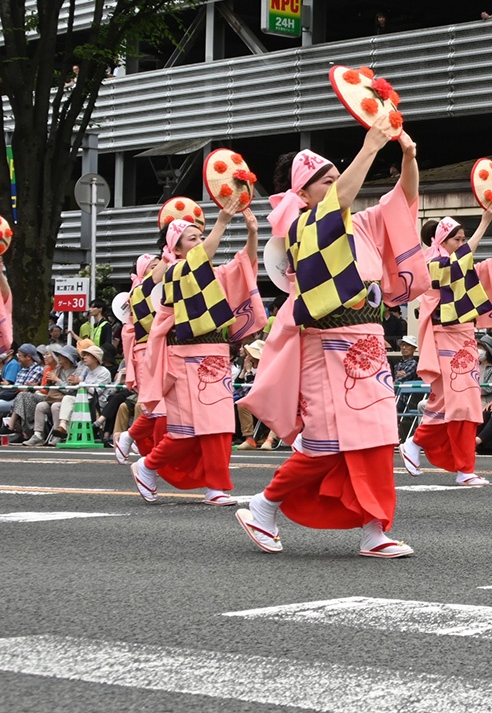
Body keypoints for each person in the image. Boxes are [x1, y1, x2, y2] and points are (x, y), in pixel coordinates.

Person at [234, 123, 428, 558]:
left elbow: (403, 201)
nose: (337, 183)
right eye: (326, 178)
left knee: (378, 436)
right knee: (326, 444)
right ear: (302, 193)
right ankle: (263, 506)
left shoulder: (359, 222)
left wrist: (409, 158)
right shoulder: (303, 226)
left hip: (369, 338)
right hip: (328, 344)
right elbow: (337, 202)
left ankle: (374, 531)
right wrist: (371, 144)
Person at [132, 205, 265, 506]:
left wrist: (253, 233)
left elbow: (245, 264)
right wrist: (222, 220)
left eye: (200, 236)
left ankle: (216, 486)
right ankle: (149, 465)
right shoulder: (176, 271)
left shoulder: (212, 274)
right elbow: (198, 259)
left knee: (218, 424)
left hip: (215, 352)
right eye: (192, 238)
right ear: (175, 247)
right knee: (187, 430)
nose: (199, 241)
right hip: (186, 355)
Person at [403, 208, 492, 486]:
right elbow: (460, 263)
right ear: (441, 241)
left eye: (464, 239)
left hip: (463, 335)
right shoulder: (433, 265)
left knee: (447, 403)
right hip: (446, 336)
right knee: (463, 404)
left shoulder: (461, 268)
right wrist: (485, 221)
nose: (463, 244)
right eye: (457, 239)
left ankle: (416, 445)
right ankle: (464, 469)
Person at [113, 255, 165, 464]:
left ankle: (136, 440)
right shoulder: (141, 291)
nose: (159, 269)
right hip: (146, 353)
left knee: (163, 405)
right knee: (157, 406)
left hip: (160, 351)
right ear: (144, 271)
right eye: (153, 266)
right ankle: (139, 443)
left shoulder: (156, 289)